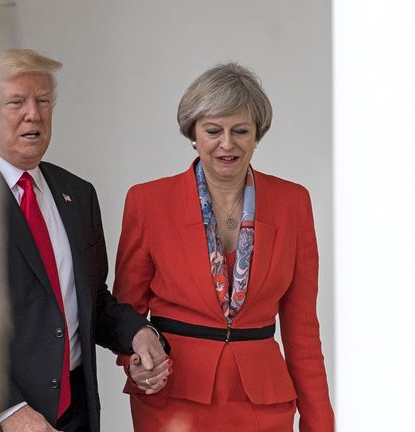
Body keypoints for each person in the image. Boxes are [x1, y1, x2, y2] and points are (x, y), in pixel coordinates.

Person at [113, 63, 334, 431]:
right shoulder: (147, 201)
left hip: (264, 403)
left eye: (241, 131)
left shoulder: (292, 202)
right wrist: (135, 364)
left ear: (257, 135)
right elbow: (123, 314)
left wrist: (320, 424)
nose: (227, 144)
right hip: (174, 399)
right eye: (213, 130)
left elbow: (303, 335)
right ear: (193, 134)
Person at [0, 49, 171, 432]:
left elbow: (93, 300)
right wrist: (9, 412)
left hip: (77, 413)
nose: (33, 114)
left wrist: (139, 334)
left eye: (43, 101)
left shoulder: (77, 194)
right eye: (16, 102)